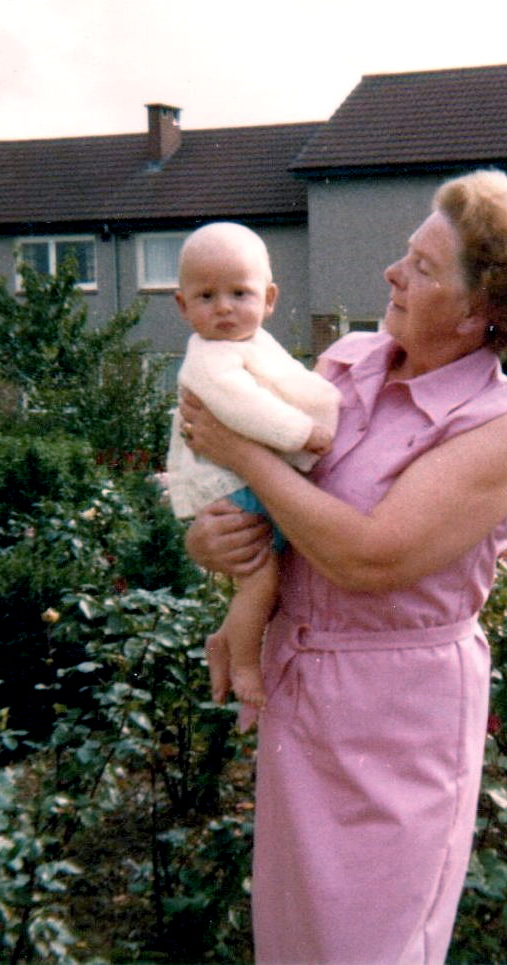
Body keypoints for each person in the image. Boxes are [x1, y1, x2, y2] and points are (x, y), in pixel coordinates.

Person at [180, 170, 507, 963]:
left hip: (397, 711)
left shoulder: (502, 429)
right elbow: (267, 506)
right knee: (293, 937)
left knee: (370, 941)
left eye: (424, 268)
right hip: (301, 685)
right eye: (406, 252)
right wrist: (210, 542)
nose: (393, 272)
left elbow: (368, 554)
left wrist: (245, 457)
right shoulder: (347, 363)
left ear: (479, 311)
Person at [166, 222, 340, 709]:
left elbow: (289, 384)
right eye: (206, 296)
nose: (223, 307)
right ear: (183, 306)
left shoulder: (254, 344)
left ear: (268, 299)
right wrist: (302, 433)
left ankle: (228, 639)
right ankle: (241, 658)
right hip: (228, 482)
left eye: (238, 293)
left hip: (250, 478)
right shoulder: (210, 358)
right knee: (262, 576)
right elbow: (244, 407)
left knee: (270, 573)